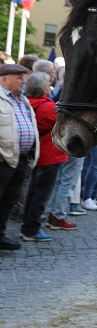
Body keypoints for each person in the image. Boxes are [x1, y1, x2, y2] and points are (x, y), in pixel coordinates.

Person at [19, 72, 67, 242]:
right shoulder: (47, 107)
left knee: (33, 193)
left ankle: (28, 225)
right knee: (40, 195)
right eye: (48, 83)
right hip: (49, 157)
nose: (50, 86)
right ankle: (31, 229)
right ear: (42, 88)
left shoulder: (26, 103)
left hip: (36, 156)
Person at [0, 64, 39, 250]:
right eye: (19, 78)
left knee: (8, 201)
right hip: (3, 160)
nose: (24, 81)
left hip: (21, 159)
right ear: (4, 79)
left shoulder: (22, 99)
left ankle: (0, 235)